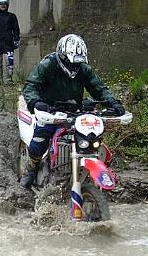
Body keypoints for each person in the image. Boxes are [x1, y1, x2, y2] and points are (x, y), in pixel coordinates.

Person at [19, 34, 126, 189]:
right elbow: (31, 85)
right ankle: (31, 169)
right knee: (39, 142)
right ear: (62, 57)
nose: (74, 67)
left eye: (77, 63)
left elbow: (99, 88)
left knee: (92, 139)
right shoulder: (48, 65)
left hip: (74, 111)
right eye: (71, 63)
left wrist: (114, 103)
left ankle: (85, 171)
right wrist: (36, 101)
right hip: (49, 110)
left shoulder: (83, 69)